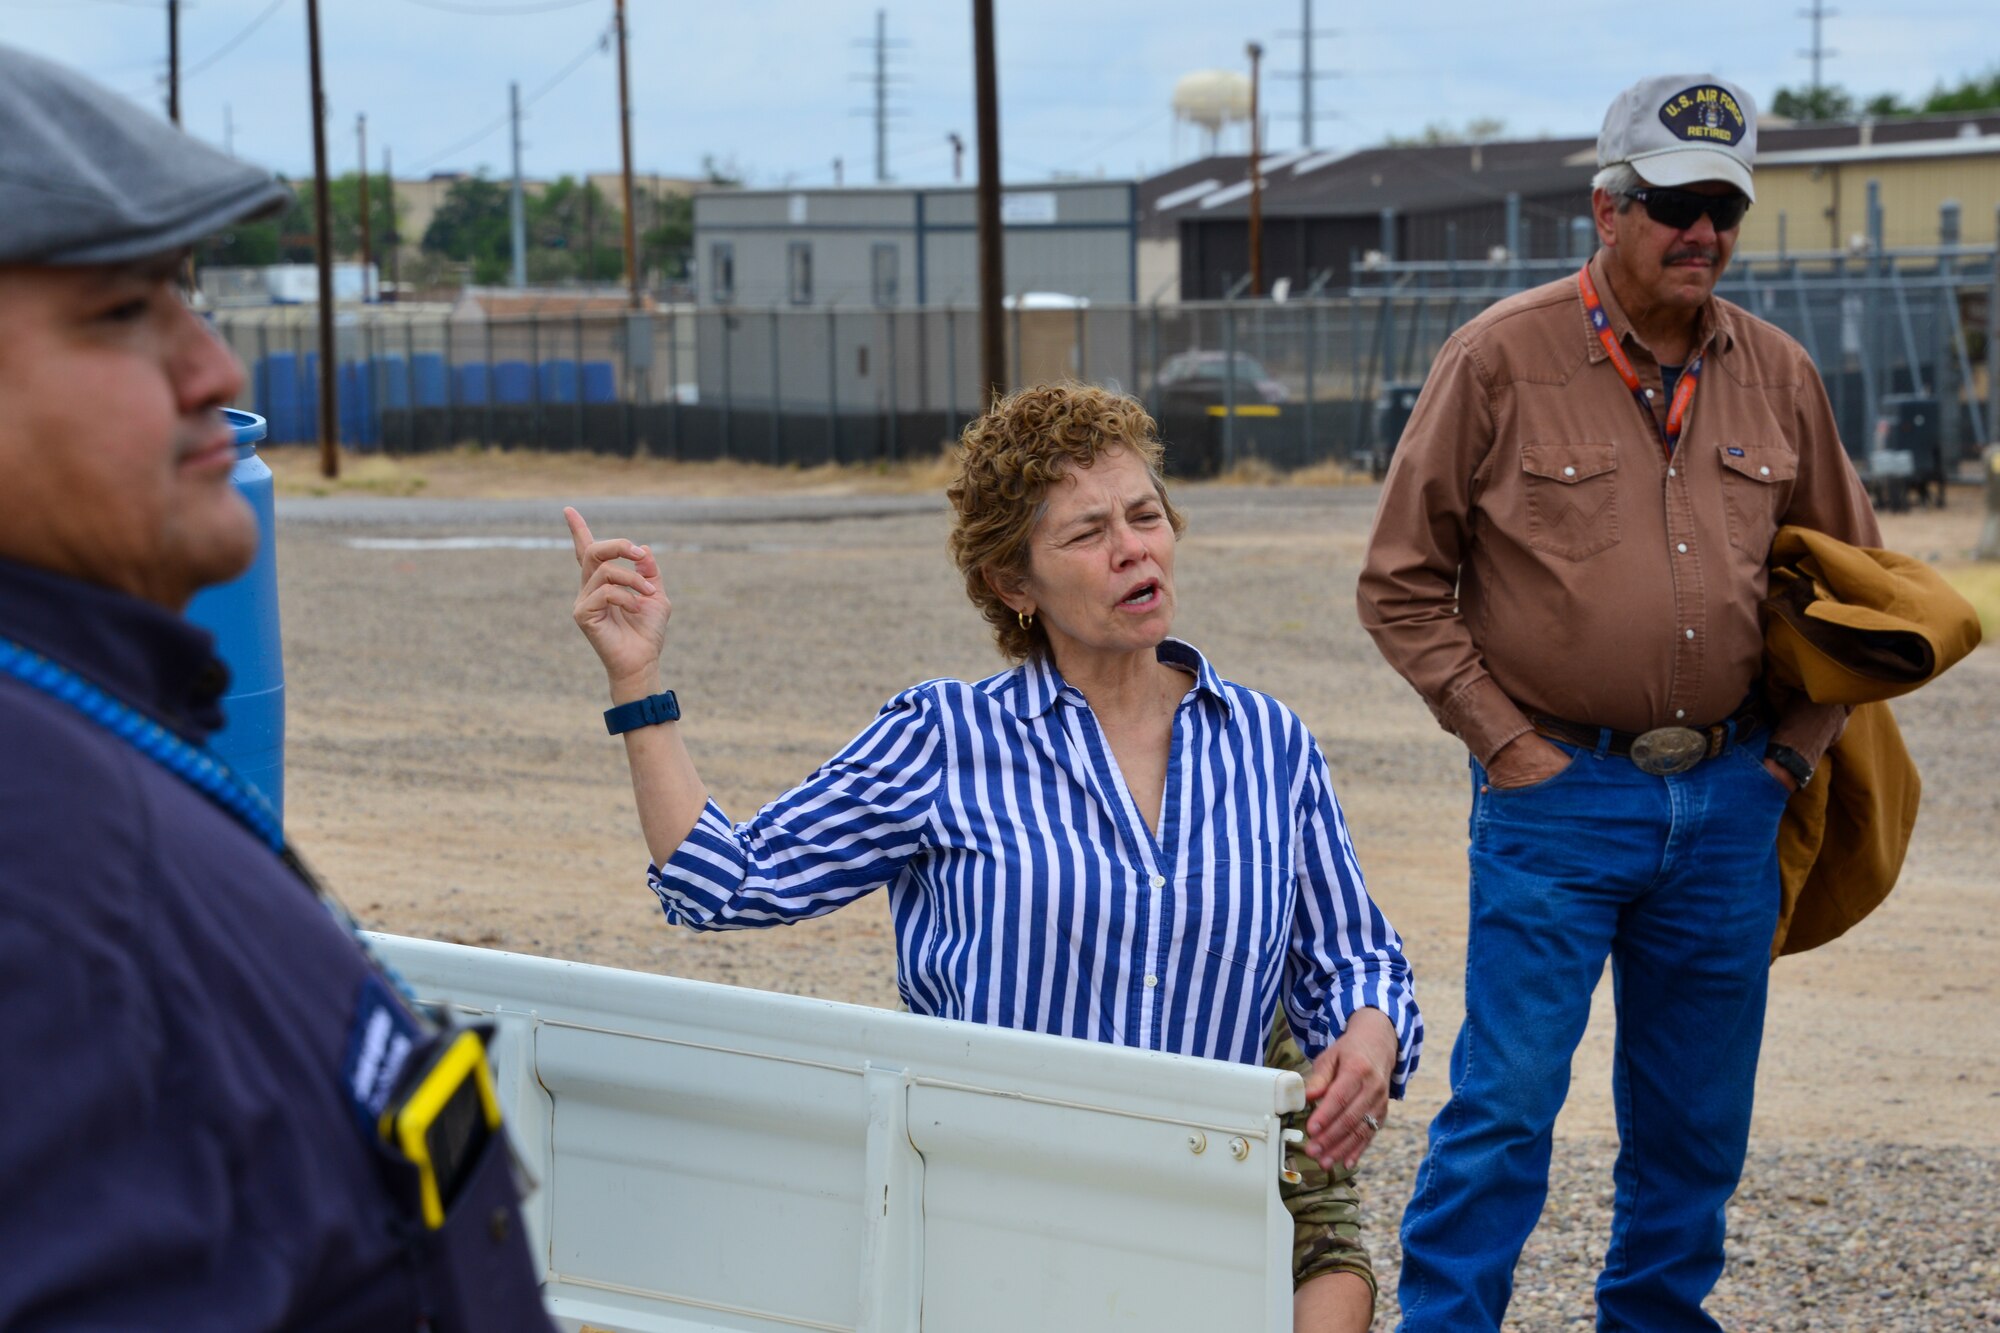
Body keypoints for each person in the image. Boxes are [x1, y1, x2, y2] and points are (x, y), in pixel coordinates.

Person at [568, 382, 1424, 1330]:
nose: (1133, 547)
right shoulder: (943, 738)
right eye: (1088, 533)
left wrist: (1371, 1032)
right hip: (988, 1234)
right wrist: (638, 682)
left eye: (1146, 515)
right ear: (1015, 584)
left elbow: (1355, 954)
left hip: (1202, 1225)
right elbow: (721, 882)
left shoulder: (1269, 743)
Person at [0, 46, 551, 1330]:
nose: (216, 372)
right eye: (122, 314)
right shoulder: (37, 881)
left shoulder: (78, 736)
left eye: (184, 303)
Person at [1357, 74, 1881, 1331]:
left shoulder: (1778, 375)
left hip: (1727, 798)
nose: (1698, 231)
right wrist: (1508, 746)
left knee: (1697, 1122)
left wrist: (1791, 758)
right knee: (1505, 1105)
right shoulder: (1497, 359)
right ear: (1604, 209)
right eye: (1670, 204)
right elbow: (1397, 584)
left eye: (1722, 208)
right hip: (1558, 800)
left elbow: (1861, 603)